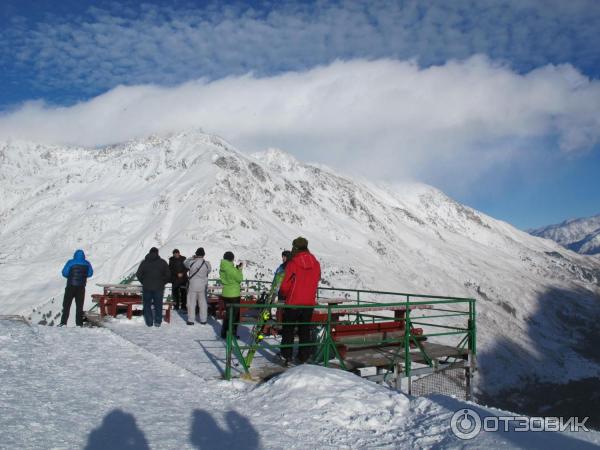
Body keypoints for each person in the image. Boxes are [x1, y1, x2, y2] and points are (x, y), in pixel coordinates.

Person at [279, 237, 321, 365]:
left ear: (295, 247)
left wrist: (283, 295)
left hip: (293, 302)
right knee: (304, 330)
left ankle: (287, 356)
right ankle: (304, 357)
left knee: (288, 330)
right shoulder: (315, 262)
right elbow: (317, 278)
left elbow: (285, 284)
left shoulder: (293, 263)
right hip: (308, 303)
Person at [136, 247, 170, 327]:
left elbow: (138, 274)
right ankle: (158, 321)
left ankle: (149, 322)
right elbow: (168, 275)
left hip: (147, 287)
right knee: (158, 304)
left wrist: (143, 282)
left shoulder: (144, 262)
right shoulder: (162, 262)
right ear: (157, 253)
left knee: (147, 304)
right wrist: (162, 282)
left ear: (149, 253)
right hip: (159, 288)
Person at [59, 249, 94, 327]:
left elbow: (64, 273)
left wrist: (71, 276)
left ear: (74, 255)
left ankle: (63, 323)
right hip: (81, 287)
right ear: (83, 256)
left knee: (67, 305)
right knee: (79, 306)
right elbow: (90, 274)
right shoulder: (87, 263)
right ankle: (79, 324)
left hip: (70, 286)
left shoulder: (71, 262)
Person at [184, 247, 212, 325]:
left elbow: (185, 263)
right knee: (203, 303)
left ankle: (191, 320)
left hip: (193, 285)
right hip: (203, 285)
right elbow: (209, 271)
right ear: (204, 254)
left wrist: (191, 258)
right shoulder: (207, 264)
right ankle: (203, 320)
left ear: (196, 254)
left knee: (191, 303)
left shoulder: (191, 262)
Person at [219, 251, 243, 339]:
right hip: (234, 294)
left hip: (225, 293)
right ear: (232, 259)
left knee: (228, 314)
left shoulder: (223, 267)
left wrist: (235, 269)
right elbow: (239, 279)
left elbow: (229, 277)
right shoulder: (231, 269)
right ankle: (232, 333)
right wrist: (239, 270)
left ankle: (224, 333)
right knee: (234, 316)